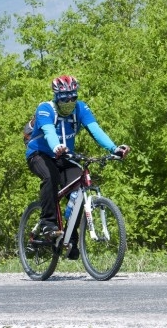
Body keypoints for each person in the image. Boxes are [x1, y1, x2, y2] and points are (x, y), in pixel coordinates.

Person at [25, 75, 130, 259]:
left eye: (73, 97)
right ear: (57, 96)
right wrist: (56, 145)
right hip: (40, 154)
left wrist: (114, 148)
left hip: (65, 156)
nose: (69, 101)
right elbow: (49, 131)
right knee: (51, 178)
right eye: (64, 98)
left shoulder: (81, 108)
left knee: (78, 188)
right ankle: (48, 223)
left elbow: (95, 129)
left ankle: (70, 238)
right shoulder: (45, 109)